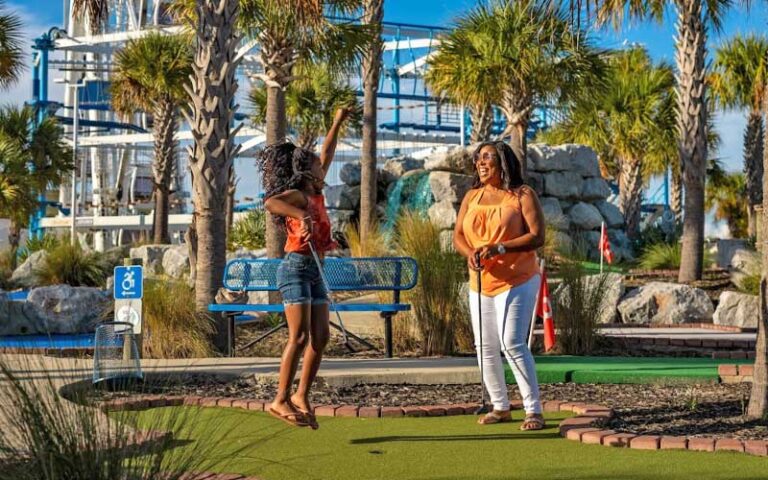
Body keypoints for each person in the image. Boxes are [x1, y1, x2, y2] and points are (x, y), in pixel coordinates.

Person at [260, 108, 350, 429]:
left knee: (321, 338)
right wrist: (301, 216)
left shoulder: (317, 191)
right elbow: (271, 202)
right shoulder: (299, 195)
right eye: (317, 167)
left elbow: (327, 151)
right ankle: (279, 398)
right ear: (307, 173)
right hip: (295, 269)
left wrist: (337, 121)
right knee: (298, 337)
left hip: (317, 271)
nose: (323, 169)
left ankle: (301, 395)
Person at [452, 140, 546, 430]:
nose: (481, 163)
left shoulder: (522, 195)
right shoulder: (472, 196)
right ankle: (500, 406)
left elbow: (537, 236)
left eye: (488, 158)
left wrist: (499, 248)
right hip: (481, 282)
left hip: (518, 279)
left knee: (512, 342)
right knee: (484, 347)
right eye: (478, 158)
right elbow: (458, 235)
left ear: (503, 163)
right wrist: (470, 254)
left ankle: (534, 410)